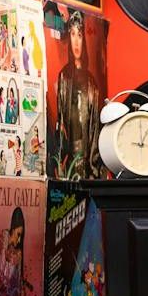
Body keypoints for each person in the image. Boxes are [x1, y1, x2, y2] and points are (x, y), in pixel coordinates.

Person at [54, 11, 102, 179]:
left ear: (84, 40)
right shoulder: (64, 77)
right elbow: (60, 120)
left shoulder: (91, 82)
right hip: (68, 154)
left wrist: (92, 165)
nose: (76, 41)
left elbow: (95, 126)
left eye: (79, 35)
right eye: (72, 34)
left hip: (87, 152)